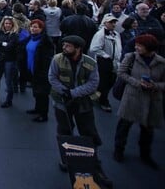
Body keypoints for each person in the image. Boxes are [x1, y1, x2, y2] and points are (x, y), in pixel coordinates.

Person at [48, 35, 112, 188]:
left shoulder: (90, 63)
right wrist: (64, 92)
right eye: (64, 45)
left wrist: (73, 93)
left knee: (88, 133)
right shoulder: (57, 59)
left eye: (68, 46)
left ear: (78, 49)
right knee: (64, 130)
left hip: (83, 102)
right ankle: (66, 159)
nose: (64, 48)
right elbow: (52, 78)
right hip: (61, 102)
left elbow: (93, 83)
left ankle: (95, 166)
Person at [114, 34, 165, 170]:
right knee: (124, 126)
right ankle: (118, 150)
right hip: (132, 97)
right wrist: (137, 83)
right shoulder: (131, 58)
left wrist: (155, 85)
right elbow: (122, 73)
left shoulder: (161, 62)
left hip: (152, 99)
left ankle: (145, 154)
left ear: (149, 48)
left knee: (148, 130)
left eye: (140, 46)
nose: (136, 47)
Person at [22, 19, 54, 122]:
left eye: (36, 27)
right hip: (32, 70)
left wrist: (43, 71)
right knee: (36, 91)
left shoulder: (45, 41)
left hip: (41, 71)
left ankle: (43, 114)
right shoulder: (30, 38)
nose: (33, 28)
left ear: (41, 29)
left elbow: (47, 58)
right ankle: (37, 109)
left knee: (42, 93)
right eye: (31, 26)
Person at [88, 13, 122, 112]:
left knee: (111, 81)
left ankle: (96, 95)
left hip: (115, 61)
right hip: (104, 62)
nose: (114, 24)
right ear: (105, 23)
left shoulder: (116, 34)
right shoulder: (100, 34)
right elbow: (94, 48)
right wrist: (105, 56)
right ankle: (103, 100)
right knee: (104, 82)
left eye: (114, 22)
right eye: (111, 22)